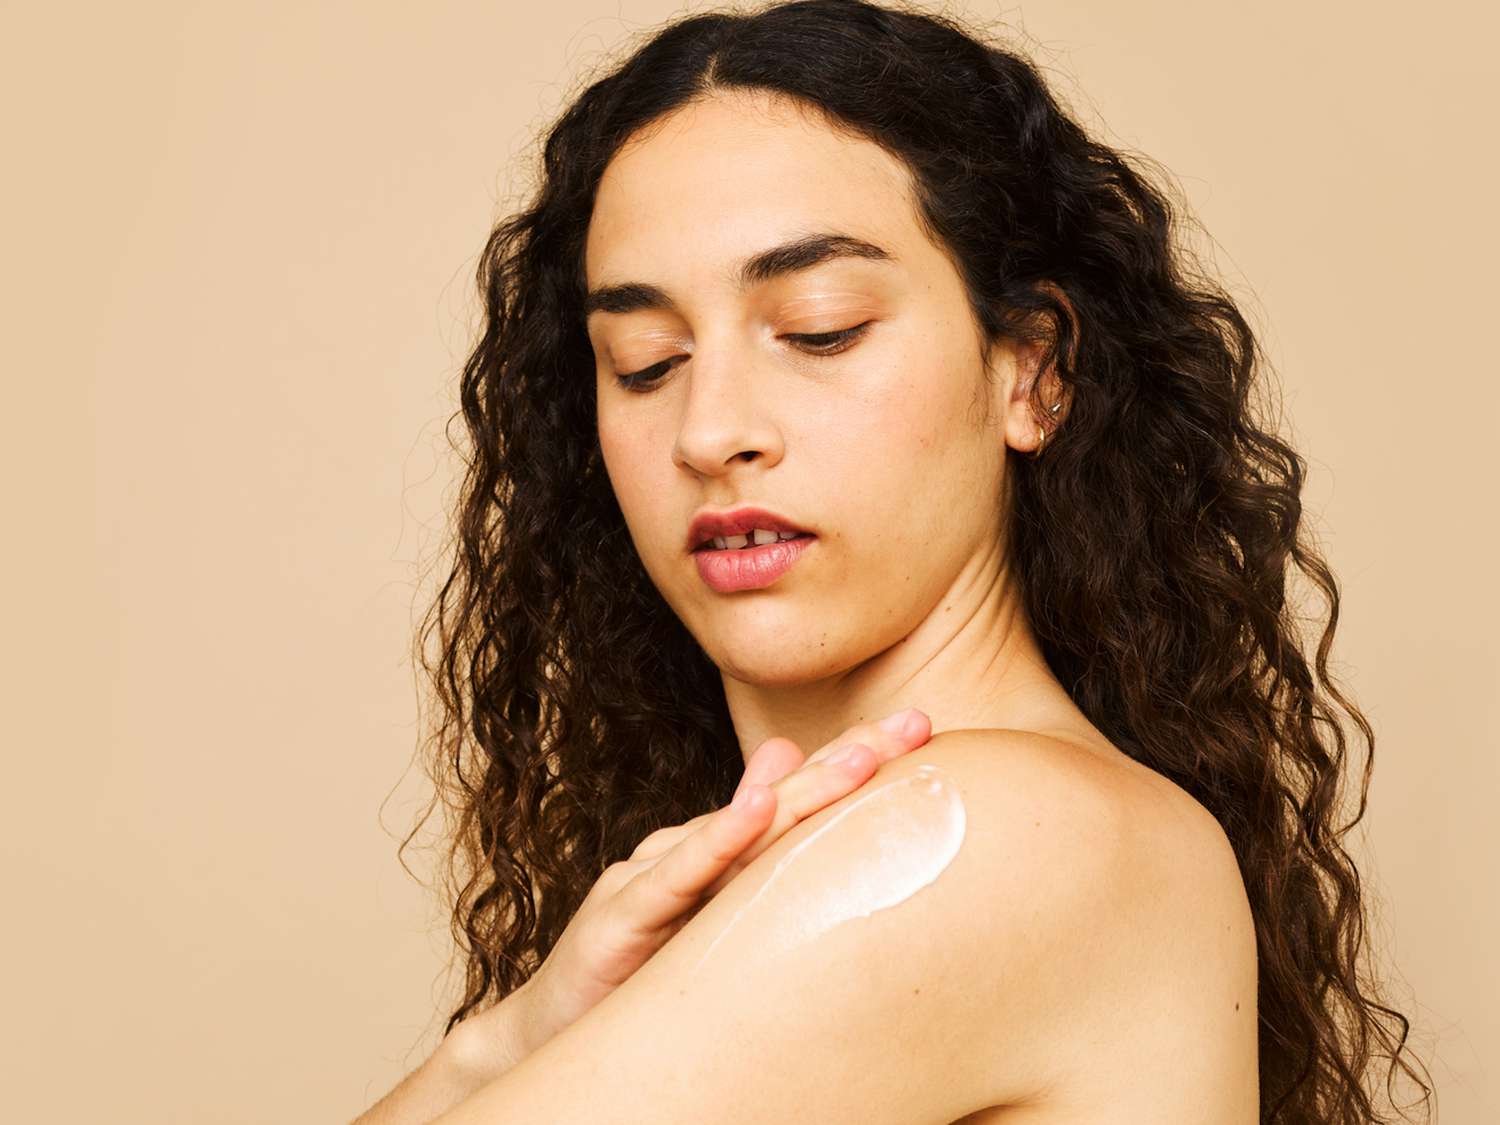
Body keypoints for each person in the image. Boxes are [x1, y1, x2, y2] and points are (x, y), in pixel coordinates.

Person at [355, 2, 1433, 1122]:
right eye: (646, 360)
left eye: (819, 330)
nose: (709, 431)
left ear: (1033, 374)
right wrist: (515, 1037)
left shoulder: (1000, 833)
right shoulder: (1006, 835)